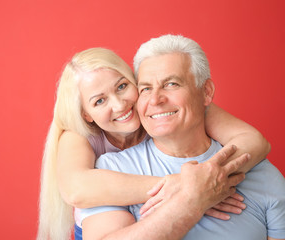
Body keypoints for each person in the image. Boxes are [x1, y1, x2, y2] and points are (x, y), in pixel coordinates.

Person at [37, 48, 271, 240]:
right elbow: (76, 189)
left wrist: (208, 179)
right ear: (86, 114)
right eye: (99, 101)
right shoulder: (79, 135)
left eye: (122, 86)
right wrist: (187, 186)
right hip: (100, 222)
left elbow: (254, 142)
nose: (119, 105)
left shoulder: (166, 108)